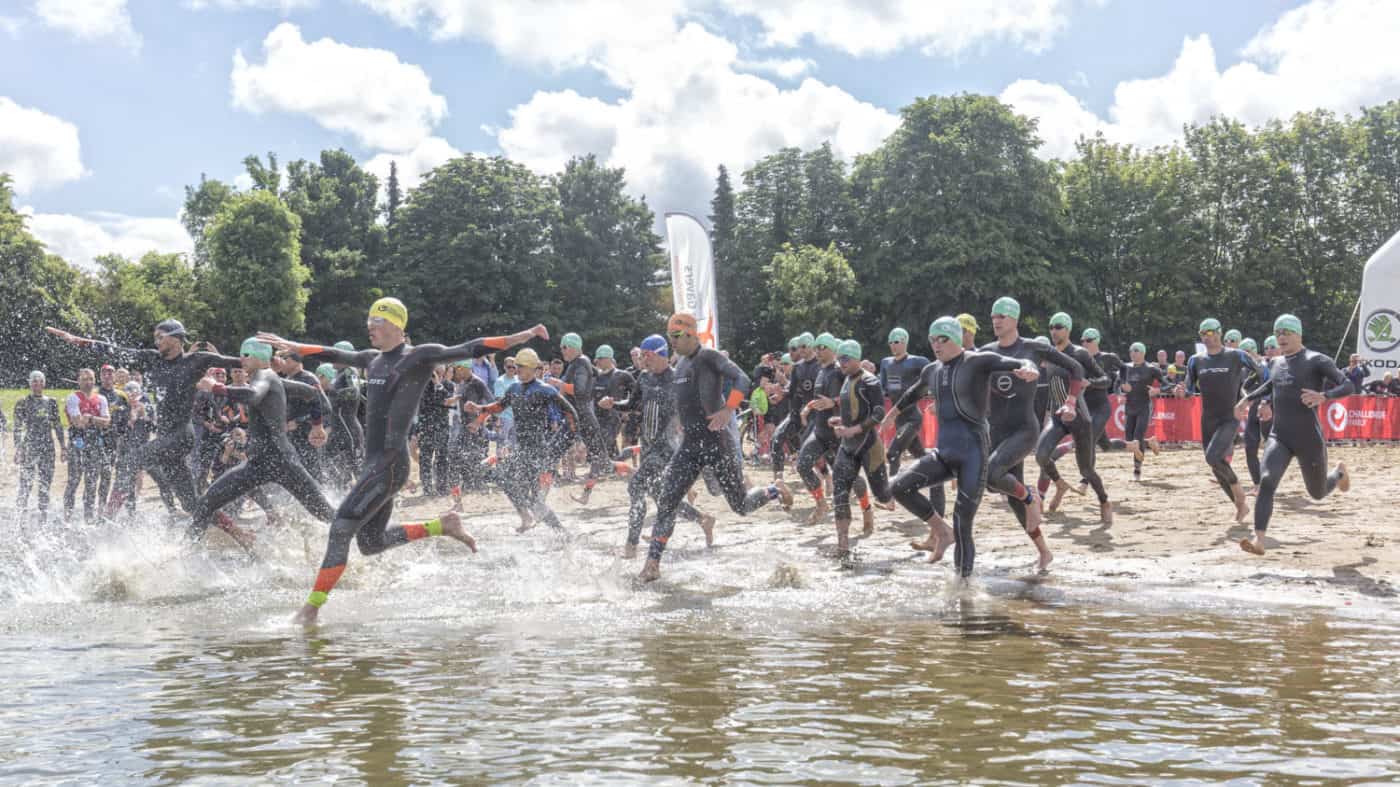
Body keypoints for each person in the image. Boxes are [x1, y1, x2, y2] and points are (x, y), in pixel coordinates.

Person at [257, 297, 545, 624]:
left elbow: (469, 347)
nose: (369, 327)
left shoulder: (419, 357)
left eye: (375, 321)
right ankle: (443, 526)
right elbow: (333, 353)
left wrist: (520, 337)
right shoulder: (371, 359)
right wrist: (295, 346)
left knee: (340, 528)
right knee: (371, 542)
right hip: (374, 465)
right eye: (368, 321)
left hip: (391, 464)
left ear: (396, 324)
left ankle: (310, 611)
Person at [642, 313, 793, 582]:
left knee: (741, 505)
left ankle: (774, 489)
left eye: (675, 336)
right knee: (667, 500)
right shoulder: (682, 365)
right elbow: (684, 400)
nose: (672, 342)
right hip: (690, 445)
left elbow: (742, 379)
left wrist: (728, 409)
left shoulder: (709, 357)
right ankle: (652, 564)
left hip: (716, 443)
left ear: (690, 334)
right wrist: (678, 422)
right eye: (669, 337)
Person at [886, 317, 1038, 576]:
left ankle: (963, 588)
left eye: (941, 339)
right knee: (898, 487)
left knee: (962, 521)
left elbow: (1018, 361)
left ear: (955, 338)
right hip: (944, 453)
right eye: (932, 339)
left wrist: (1028, 367)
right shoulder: (931, 370)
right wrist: (892, 415)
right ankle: (941, 531)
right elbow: (913, 392)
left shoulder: (977, 361)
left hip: (974, 456)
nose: (935, 344)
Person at [45, 319, 242, 516]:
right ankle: (241, 535)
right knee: (191, 504)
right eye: (155, 337)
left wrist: (267, 358)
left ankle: (107, 517)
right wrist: (78, 341)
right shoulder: (153, 358)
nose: (156, 341)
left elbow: (239, 362)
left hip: (182, 436)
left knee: (130, 461)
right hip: (166, 438)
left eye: (160, 337)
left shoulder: (196, 360)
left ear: (176, 338)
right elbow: (114, 350)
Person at [186, 338, 337, 550]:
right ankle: (185, 551)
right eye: (241, 354)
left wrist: (217, 387)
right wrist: (317, 424)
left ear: (260, 356)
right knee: (206, 503)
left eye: (246, 355)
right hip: (257, 464)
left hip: (282, 462)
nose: (241, 359)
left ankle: (367, 533)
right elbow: (312, 394)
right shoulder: (273, 378)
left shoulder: (265, 376)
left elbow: (254, 396)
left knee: (325, 512)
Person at [1236, 314, 1353, 556]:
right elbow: (1270, 385)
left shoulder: (1316, 360)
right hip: (1280, 436)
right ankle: (1259, 540)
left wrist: (1324, 396)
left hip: (1308, 439)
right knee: (1267, 481)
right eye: (1278, 333)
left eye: (1287, 332)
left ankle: (1339, 473)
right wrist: (1247, 399)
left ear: (1299, 334)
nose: (1281, 337)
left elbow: (1348, 384)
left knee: (1317, 493)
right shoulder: (1276, 363)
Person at [981, 296, 1082, 570]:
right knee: (1003, 492)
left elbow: (1076, 368)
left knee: (992, 474)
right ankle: (1044, 552)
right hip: (998, 432)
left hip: (1025, 429)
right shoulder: (986, 351)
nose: (995, 321)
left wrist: (1071, 401)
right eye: (993, 316)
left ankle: (1031, 495)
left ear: (1014, 319)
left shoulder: (1033, 348)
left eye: (1001, 316)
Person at [603, 334, 712, 557]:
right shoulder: (644, 378)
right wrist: (614, 404)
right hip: (649, 447)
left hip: (669, 448)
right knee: (661, 495)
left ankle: (631, 546)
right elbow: (632, 404)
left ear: (661, 354)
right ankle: (703, 519)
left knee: (635, 487)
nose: (644, 360)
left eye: (647, 356)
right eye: (642, 356)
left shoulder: (679, 379)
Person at [468, 348, 581, 532]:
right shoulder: (514, 388)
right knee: (502, 477)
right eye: (516, 366)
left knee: (534, 500)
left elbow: (571, 414)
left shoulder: (545, 390)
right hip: (521, 449)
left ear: (531, 368)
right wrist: (480, 407)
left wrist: (569, 441)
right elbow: (498, 406)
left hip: (538, 451)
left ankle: (561, 533)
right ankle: (526, 517)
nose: (516, 369)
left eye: (520, 366)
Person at [1035, 312, 1113, 523]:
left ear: (1068, 329)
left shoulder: (1080, 353)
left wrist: (1092, 383)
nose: (1053, 330)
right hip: (1058, 416)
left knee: (1086, 469)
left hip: (1080, 417)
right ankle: (1059, 483)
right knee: (1041, 455)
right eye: (1051, 326)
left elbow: (1105, 379)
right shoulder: (1049, 354)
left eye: (1058, 326)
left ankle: (1104, 501)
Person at [1178, 318, 1259, 522]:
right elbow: (1189, 389)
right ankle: (1240, 506)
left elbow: (1264, 374)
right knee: (1215, 465)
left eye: (1210, 332)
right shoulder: (1196, 360)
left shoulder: (1236, 355)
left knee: (1213, 457)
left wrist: (1249, 399)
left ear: (1219, 333)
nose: (1206, 337)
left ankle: (1239, 495)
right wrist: (1181, 391)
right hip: (1208, 419)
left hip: (1229, 417)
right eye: (1202, 333)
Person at [827, 339, 894, 557]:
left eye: (845, 359)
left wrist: (854, 429)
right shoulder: (846, 380)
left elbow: (878, 413)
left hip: (869, 446)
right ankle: (843, 544)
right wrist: (840, 421)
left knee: (883, 495)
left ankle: (895, 492)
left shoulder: (870, 381)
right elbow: (853, 412)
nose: (841, 363)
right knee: (839, 491)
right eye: (839, 359)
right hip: (848, 446)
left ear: (856, 358)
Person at [548, 332, 617, 505]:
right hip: (573, 419)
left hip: (584, 418)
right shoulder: (574, 364)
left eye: (564, 347)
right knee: (551, 453)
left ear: (573, 347)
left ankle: (635, 473)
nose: (561, 350)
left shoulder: (581, 363)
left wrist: (559, 385)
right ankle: (541, 498)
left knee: (602, 461)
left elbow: (581, 392)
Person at [14, 370, 66, 519]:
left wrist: (63, 446)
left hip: (47, 448)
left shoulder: (51, 402)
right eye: (34, 381)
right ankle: (20, 515)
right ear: (30, 383)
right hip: (29, 447)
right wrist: (18, 449)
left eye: (40, 381)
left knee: (45, 484)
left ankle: (43, 514)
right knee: (26, 483)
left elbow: (57, 426)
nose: (37, 383)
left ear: (44, 383)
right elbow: (17, 428)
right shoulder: (22, 402)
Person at [879, 327, 930, 477]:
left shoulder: (917, 361)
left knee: (892, 453)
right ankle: (936, 480)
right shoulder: (885, 363)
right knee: (921, 457)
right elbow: (882, 387)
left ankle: (890, 492)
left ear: (905, 342)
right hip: (899, 420)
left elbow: (933, 376)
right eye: (890, 342)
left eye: (896, 342)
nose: (893, 345)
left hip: (913, 418)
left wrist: (934, 396)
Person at [62, 368, 112, 523]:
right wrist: (95, 420)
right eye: (84, 379)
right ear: (78, 381)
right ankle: (67, 516)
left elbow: (107, 422)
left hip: (95, 444)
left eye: (90, 379)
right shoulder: (73, 398)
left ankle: (90, 516)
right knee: (74, 480)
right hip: (78, 443)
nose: (88, 382)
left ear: (95, 380)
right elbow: (78, 423)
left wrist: (89, 418)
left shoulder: (101, 398)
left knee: (97, 478)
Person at [770, 333, 818, 481]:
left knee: (819, 452)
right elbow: (792, 391)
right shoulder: (797, 368)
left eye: (802, 347)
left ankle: (827, 477)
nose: (798, 351)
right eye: (796, 348)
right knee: (776, 440)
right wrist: (781, 395)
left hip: (815, 416)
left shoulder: (819, 366)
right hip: (795, 414)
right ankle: (779, 480)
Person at [276, 350, 327, 484]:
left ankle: (325, 500)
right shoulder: (287, 380)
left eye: (283, 360)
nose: (280, 363)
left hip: (308, 433)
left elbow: (325, 407)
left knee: (313, 472)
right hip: (292, 435)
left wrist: (299, 422)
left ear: (294, 361)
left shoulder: (308, 379)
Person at [1118, 342, 1168, 480]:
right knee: (1129, 440)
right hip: (1130, 407)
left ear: (1143, 353)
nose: (1132, 353)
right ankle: (1150, 442)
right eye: (1131, 351)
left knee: (1138, 436)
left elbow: (1167, 385)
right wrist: (1121, 393)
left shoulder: (1151, 369)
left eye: (1136, 351)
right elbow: (1118, 384)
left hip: (1144, 406)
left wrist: (1157, 390)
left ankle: (1137, 470)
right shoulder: (1125, 368)